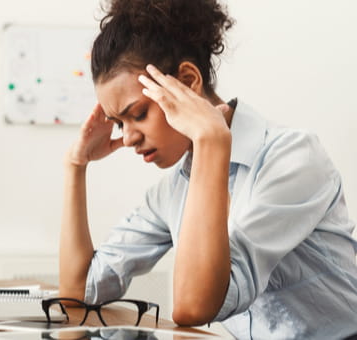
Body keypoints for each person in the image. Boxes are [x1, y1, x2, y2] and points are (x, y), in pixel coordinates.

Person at [58, 0, 357, 338]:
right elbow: (78, 292)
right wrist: (75, 165)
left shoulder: (294, 158)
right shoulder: (173, 189)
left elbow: (194, 307)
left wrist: (211, 140)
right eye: (117, 123)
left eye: (137, 114)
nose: (127, 138)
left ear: (187, 80)